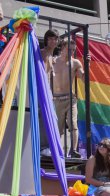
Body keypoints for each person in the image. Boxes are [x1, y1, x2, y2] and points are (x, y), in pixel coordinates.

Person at [53, 39, 85, 158]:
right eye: (69, 49)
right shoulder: (54, 61)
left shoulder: (75, 63)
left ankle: (73, 150)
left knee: (73, 123)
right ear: (62, 47)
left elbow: (83, 78)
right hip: (56, 98)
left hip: (70, 98)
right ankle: (55, 150)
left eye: (73, 50)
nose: (71, 52)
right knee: (57, 127)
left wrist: (87, 65)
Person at [40, 29, 59, 157]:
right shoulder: (43, 53)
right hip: (41, 90)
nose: (53, 41)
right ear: (46, 40)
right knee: (45, 118)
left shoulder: (52, 56)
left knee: (53, 119)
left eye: (55, 39)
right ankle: (43, 147)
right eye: (50, 38)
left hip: (47, 92)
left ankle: (47, 146)